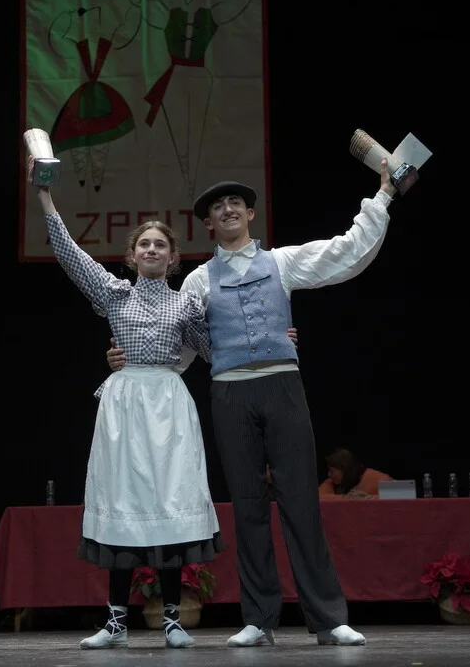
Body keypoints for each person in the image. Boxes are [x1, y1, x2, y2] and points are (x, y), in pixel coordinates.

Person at [109, 157, 399, 647]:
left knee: (301, 502)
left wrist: (384, 195)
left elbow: (347, 250)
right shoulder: (198, 281)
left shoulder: (281, 262)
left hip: (282, 386)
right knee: (247, 506)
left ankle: (329, 618)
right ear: (208, 223)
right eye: (218, 206)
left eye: (235, 203)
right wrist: (130, 364)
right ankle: (258, 619)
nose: (227, 209)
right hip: (230, 392)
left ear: (249, 213)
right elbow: (173, 344)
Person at [29, 155, 228, 649]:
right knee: (122, 501)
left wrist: (272, 340)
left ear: (173, 257)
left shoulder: (186, 303)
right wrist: (45, 197)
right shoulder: (114, 294)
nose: (152, 249)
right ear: (132, 255)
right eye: (145, 244)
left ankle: (173, 620)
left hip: (169, 404)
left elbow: (215, 350)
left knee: (170, 501)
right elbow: (71, 255)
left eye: (161, 244)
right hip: (124, 405)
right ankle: (115, 622)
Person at [319, 448, 393, 500]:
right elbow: (317, 498)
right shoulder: (331, 482)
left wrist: (369, 498)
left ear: (344, 469)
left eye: (331, 471)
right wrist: (345, 498)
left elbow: (395, 495)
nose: (329, 474)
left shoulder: (374, 478)